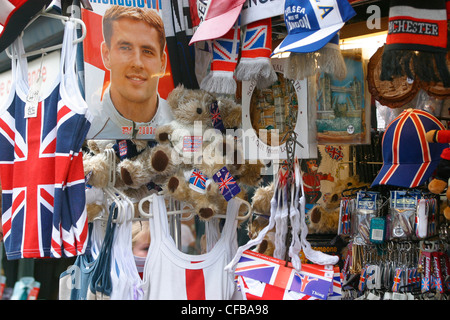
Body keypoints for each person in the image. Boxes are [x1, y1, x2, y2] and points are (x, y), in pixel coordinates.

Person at [87, 5, 174, 140]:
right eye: (125, 48)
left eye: (147, 51)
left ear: (162, 63)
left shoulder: (179, 124)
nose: (137, 63)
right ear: (106, 55)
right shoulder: (86, 126)